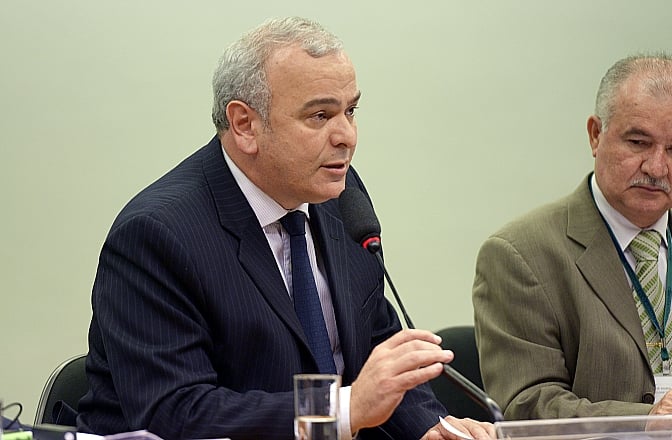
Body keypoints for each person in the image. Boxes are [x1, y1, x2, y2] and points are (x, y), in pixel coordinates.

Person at [76, 17, 494, 440]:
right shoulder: (157, 235)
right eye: (319, 115)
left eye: (350, 110)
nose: (346, 136)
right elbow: (177, 412)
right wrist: (343, 410)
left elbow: (375, 344)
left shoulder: (338, 197)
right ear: (244, 125)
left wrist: (431, 428)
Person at [473, 53, 672, 419]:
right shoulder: (520, 255)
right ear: (596, 135)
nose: (657, 166)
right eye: (639, 143)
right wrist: (646, 422)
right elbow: (526, 406)